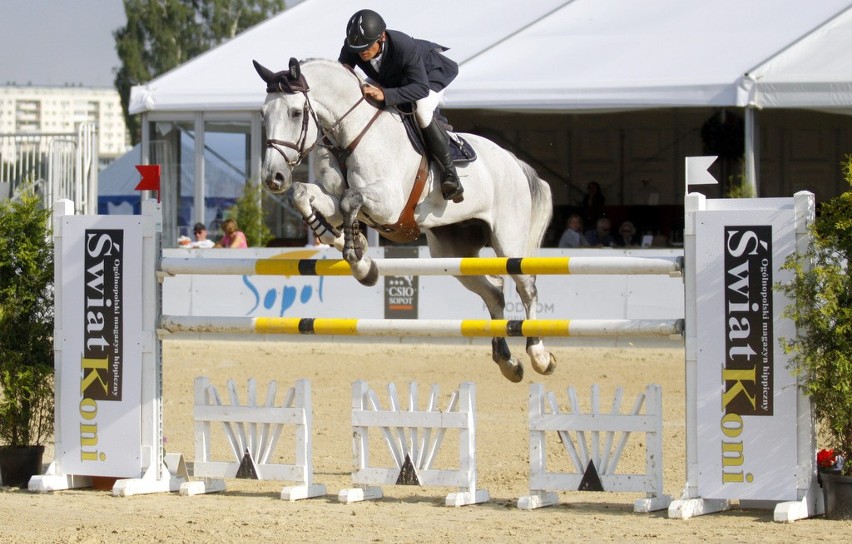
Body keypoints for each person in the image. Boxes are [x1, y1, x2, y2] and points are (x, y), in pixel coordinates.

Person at [338, 9, 463, 202]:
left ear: (382, 37)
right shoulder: (354, 45)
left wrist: (385, 94)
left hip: (429, 77)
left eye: (366, 47)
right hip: (394, 78)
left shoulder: (403, 46)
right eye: (357, 49)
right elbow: (343, 75)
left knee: (421, 109)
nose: (362, 53)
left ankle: (450, 173)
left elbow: (420, 88)